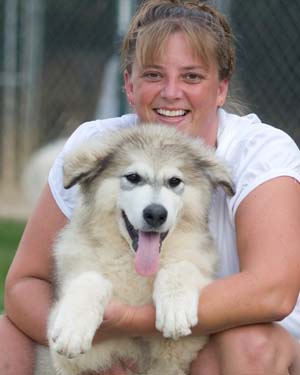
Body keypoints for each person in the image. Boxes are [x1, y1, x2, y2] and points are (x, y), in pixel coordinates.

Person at [1, 0, 300, 374]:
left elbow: (273, 291)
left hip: (231, 345)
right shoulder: (100, 147)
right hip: (116, 332)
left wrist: (128, 323)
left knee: (244, 344)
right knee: (5, 338)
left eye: (192, 77)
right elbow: (24, 284)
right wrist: (91, 348)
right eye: (154, 75)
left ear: (221, 89)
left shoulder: (257, 152)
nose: (171, 92)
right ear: (129, 84)